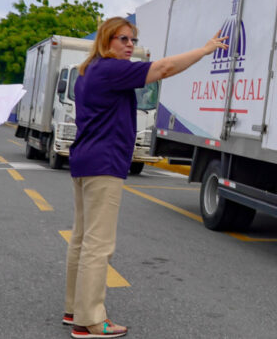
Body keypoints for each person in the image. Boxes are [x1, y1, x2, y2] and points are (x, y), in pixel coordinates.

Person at [64, 17, 227, 338]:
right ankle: (90, 320)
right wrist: (205, 50)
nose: (129, 46)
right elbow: (164, 68)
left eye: (132, 40)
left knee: (82, 240)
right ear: (106, 40)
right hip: (104, 163)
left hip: (86, 160)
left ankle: (74, 310)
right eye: (122, 39)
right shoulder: (111, 69)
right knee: (99, 244)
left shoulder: (88, 71)